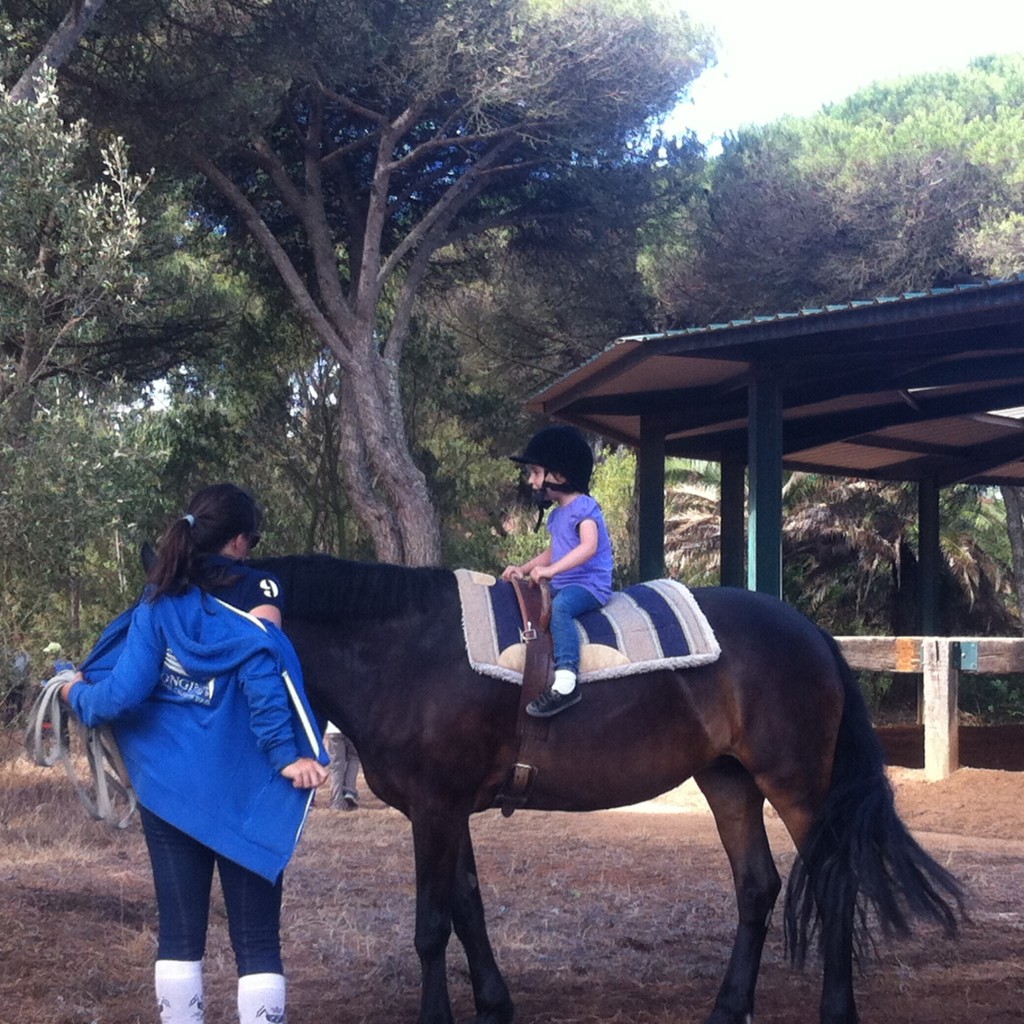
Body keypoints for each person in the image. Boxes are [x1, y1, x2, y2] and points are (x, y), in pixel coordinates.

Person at [59, 483, 329, 1024]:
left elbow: (122, 695)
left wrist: (72, 691)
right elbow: (264, 677)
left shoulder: (158, 602)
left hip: (171, 791)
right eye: (251, 539)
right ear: (236, 541)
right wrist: (283, 756)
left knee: (179, 932)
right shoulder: (260, 596)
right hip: (245, 790)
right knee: (256, 940)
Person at [501, 425, 613, 717]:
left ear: (560, 476)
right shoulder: (558, 513)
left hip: (589, 585)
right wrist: (524, 569)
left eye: (537, 472)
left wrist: (550, 571)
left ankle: (566, 681)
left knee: (560, 608)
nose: (532, 481)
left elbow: (588, 547)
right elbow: (555, 551)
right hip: (564, 579)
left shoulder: (585, 508)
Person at [324, 722, 360, 810]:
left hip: (333, 730)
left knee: (337, 765)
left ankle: (337, 801)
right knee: (354, 759)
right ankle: (349, 792)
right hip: (352, 728)